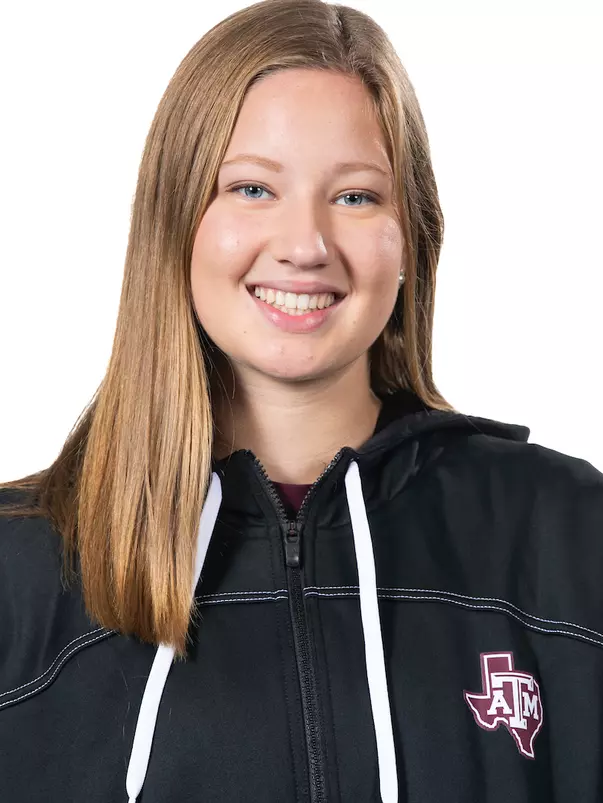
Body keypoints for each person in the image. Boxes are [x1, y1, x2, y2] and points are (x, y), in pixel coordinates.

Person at [1, 0, 601, 801]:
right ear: (176, 220)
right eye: (252, 188)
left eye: (354, 196)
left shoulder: (567, 534)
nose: (305, 244)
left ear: (410, 237)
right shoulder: (18, 570)